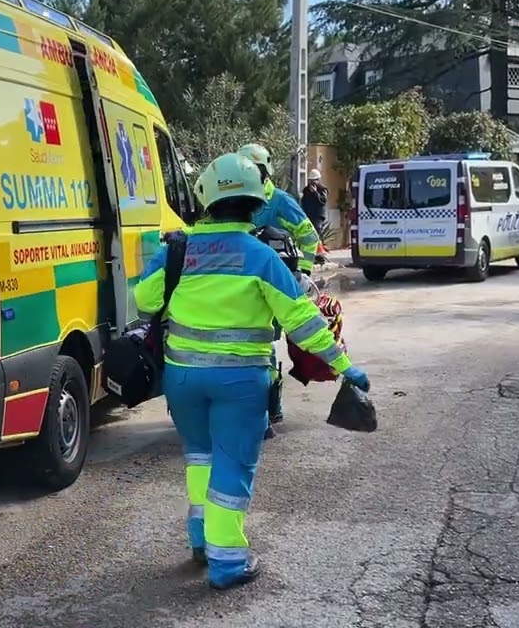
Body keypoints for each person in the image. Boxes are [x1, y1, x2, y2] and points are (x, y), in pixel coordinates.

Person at [133, 151, 370, 589]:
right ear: (256, 203)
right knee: (232, 464)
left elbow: (145, 301)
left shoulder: (179, 249)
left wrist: (162, 264)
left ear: (204, 197)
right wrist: (344, 366)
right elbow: (303, 321)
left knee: (200, 456)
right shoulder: (261, 257)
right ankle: (227, 562)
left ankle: (201, 538)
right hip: (239, 384)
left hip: (182, 379)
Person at [236, 143, 323, 429]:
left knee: (263, 347)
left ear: (263, 172)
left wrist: (300, 274)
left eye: (253, 170)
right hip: (237, 287)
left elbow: (309, 237)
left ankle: (271, 406)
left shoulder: (279, 202)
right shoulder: (233, 197)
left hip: (270, 287)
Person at [301, 168, 329, 234]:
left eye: (314, 180)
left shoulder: (322, 189)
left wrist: (315, 193)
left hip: (318, 216)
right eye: (311, 181)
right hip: (308, 215)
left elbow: (323, 201)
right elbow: (304, 201)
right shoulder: (306, 190)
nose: (312, 183)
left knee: (317, 232)